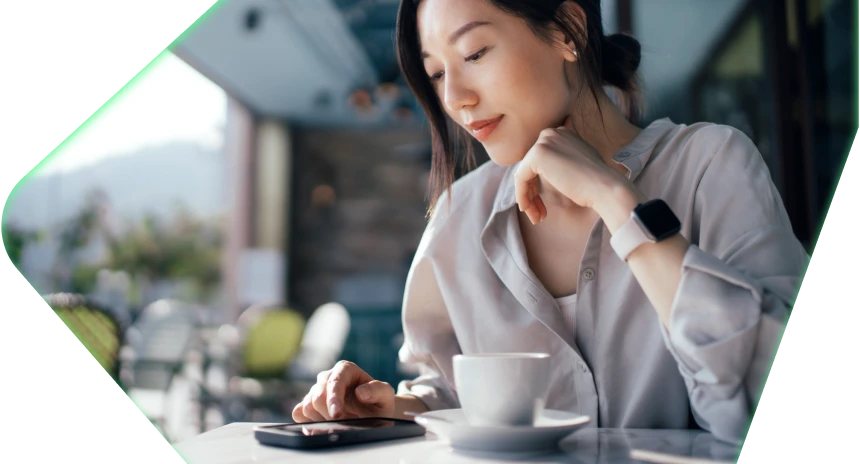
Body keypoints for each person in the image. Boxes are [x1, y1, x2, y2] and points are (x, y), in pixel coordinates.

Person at [291, 0, 809, 445]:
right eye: (438, 73)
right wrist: (391, 409)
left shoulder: (709, 164)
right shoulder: (457, 216)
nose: (456, 99)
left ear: (569, 32)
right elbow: (449, 392)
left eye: (474, 54)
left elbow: (751, 394)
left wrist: (617, 199)